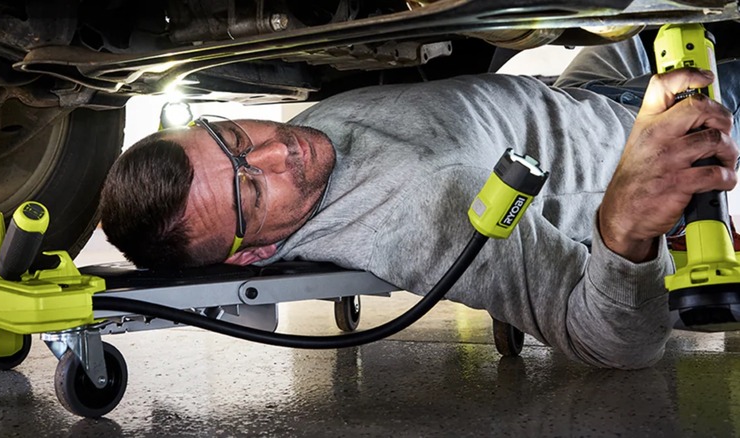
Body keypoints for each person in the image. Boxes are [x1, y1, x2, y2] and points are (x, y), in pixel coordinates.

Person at [99, 35, 740, 369]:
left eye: (237, 140)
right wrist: (624, 222)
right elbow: (606, 342)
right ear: (258, 251)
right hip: (667, 126)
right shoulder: (421, 217)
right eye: (250, 188)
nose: (277, 152)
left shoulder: (297, 151)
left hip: (583, 88)